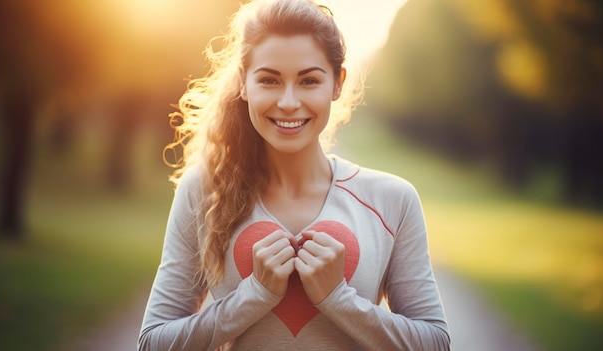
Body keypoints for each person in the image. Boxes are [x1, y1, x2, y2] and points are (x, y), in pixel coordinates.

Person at [138, 0, 450, 350]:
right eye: (269, 80)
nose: (288, 102)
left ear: (337, 84)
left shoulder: (393, 200)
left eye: (308, 81)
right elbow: (152, 343)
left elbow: (435, 343)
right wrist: (254, 296)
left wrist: (337, 298)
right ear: (243, 83)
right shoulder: (203, 192)